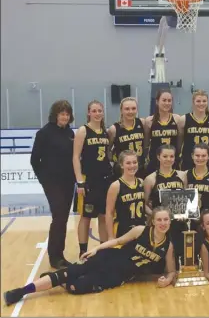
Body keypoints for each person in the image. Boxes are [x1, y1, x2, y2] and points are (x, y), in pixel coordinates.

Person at [4, 207, 176, 306]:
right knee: (65, 274)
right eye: (159, 220)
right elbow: (117, 241)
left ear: (170, 221)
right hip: (109, 258)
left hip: (117, 276)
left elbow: (171, 271)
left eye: (166, 220)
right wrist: (97, 249)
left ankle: (60, 281)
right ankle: (21, 291)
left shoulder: (168, 246)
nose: (163, 223)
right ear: (153, 221)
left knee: (75, 287)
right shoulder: (140, 231)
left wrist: (167, 280)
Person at [30, 100, 76, 269]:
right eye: (62, 113)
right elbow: (35, 160)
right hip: (52, 182)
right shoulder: (44, 133)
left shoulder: (70, 133)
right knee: (58, 216)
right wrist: (44, 180)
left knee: (63, 218)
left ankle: (60, 255)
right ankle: (54, 256)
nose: (65, 116)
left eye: (67, 114)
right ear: (55, 115)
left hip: (68, 182)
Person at [73, 100, 113, 257]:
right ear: (89, 113)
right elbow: (75, 157)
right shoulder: (83, 130)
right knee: (86, 216)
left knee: (104, 215)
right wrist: (79, 180)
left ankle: (102, 250)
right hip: (89, 179)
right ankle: (83, 251)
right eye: (94, 111)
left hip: (105, 179)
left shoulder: (105, 131)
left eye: (100, 111)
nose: (97, 113)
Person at [144, 144, 187, 265]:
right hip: (161, 224)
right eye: (165, 156)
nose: (168, 159)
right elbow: (144, 204)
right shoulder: (150, 179)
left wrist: (188, 212)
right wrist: (154, 216)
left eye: (171, 156)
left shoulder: (182, 176)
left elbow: (186, 198)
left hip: (179, 222)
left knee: (179, 255)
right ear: (158, 157)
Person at [105, 150, 146, 240]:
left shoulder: (141, 182)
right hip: (122, 229)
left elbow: (144, 206)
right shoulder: (116, 185)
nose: (132, 166)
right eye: (128, 163)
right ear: (121, 165)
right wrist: (111, 236)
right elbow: (109, 213)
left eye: (134, 162)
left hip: (141, 228)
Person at [178, 90, 209, 171]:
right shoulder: (184, 119)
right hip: (188, 160)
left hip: (207, 160)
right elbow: (180, 141)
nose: (201, 103)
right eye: (198, 101)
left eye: (204, 101)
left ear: (207, 102)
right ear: (193, 102)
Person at [144, 89, 181, 176]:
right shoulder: (149, 120)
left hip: (172, 161)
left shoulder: (177, 119)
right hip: (155, 162)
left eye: (169, 100)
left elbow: (180, 142)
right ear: (157, 101)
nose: (167, 103)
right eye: (164, 100)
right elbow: (146, 143)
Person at [107, 97, 145, 179]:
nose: (130, 111)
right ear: (121, 111)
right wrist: (116, 161)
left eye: (133, 108)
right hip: (122, 172)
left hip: (140, 169)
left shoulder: (142, 123)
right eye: (127, 109)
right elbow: (108, 149)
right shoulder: (114, 129)